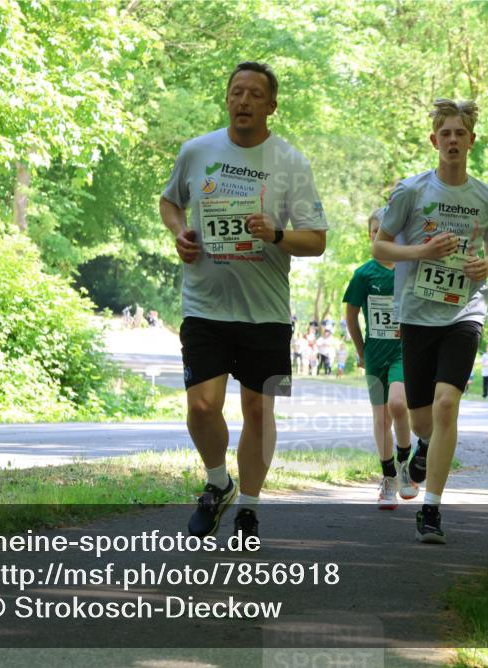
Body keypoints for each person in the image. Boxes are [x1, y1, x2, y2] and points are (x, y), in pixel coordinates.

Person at [160, 61, 327, 539]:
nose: (244, 101)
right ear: (227, 99)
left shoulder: (291, 162)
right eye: (237, 92)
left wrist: (275, 234)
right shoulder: (197, 151)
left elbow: (316, 240)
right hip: (204, 305)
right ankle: (218, 484)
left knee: (258, 408)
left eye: (256, 94)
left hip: (267, 312)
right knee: (202, 407)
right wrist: (179, 232)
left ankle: (250, 505)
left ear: (271, 106)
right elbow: (170, 200)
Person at [373, 98, 488, 543]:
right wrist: (421, 253)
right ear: (434, 140)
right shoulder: (412, 192)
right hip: (416, 312)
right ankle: (425, 446)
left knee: (448, 402)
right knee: (422, 416)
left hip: (464, 310)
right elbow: (381, 248)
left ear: (471, 141)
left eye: (459, 133)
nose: (452, 140)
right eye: (445, 133)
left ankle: (431, 510)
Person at [344, 208, 416, 509]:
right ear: (370, 235)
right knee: (381, 416)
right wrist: (361, 352)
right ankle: (388, 477)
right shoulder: (364, 274)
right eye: (374, 231)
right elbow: (351, 314)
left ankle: (404, 464)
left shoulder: (408, 269)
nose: (379, 235)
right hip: (375, 354)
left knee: (398, 405)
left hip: (403, 351)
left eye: (385, 230)